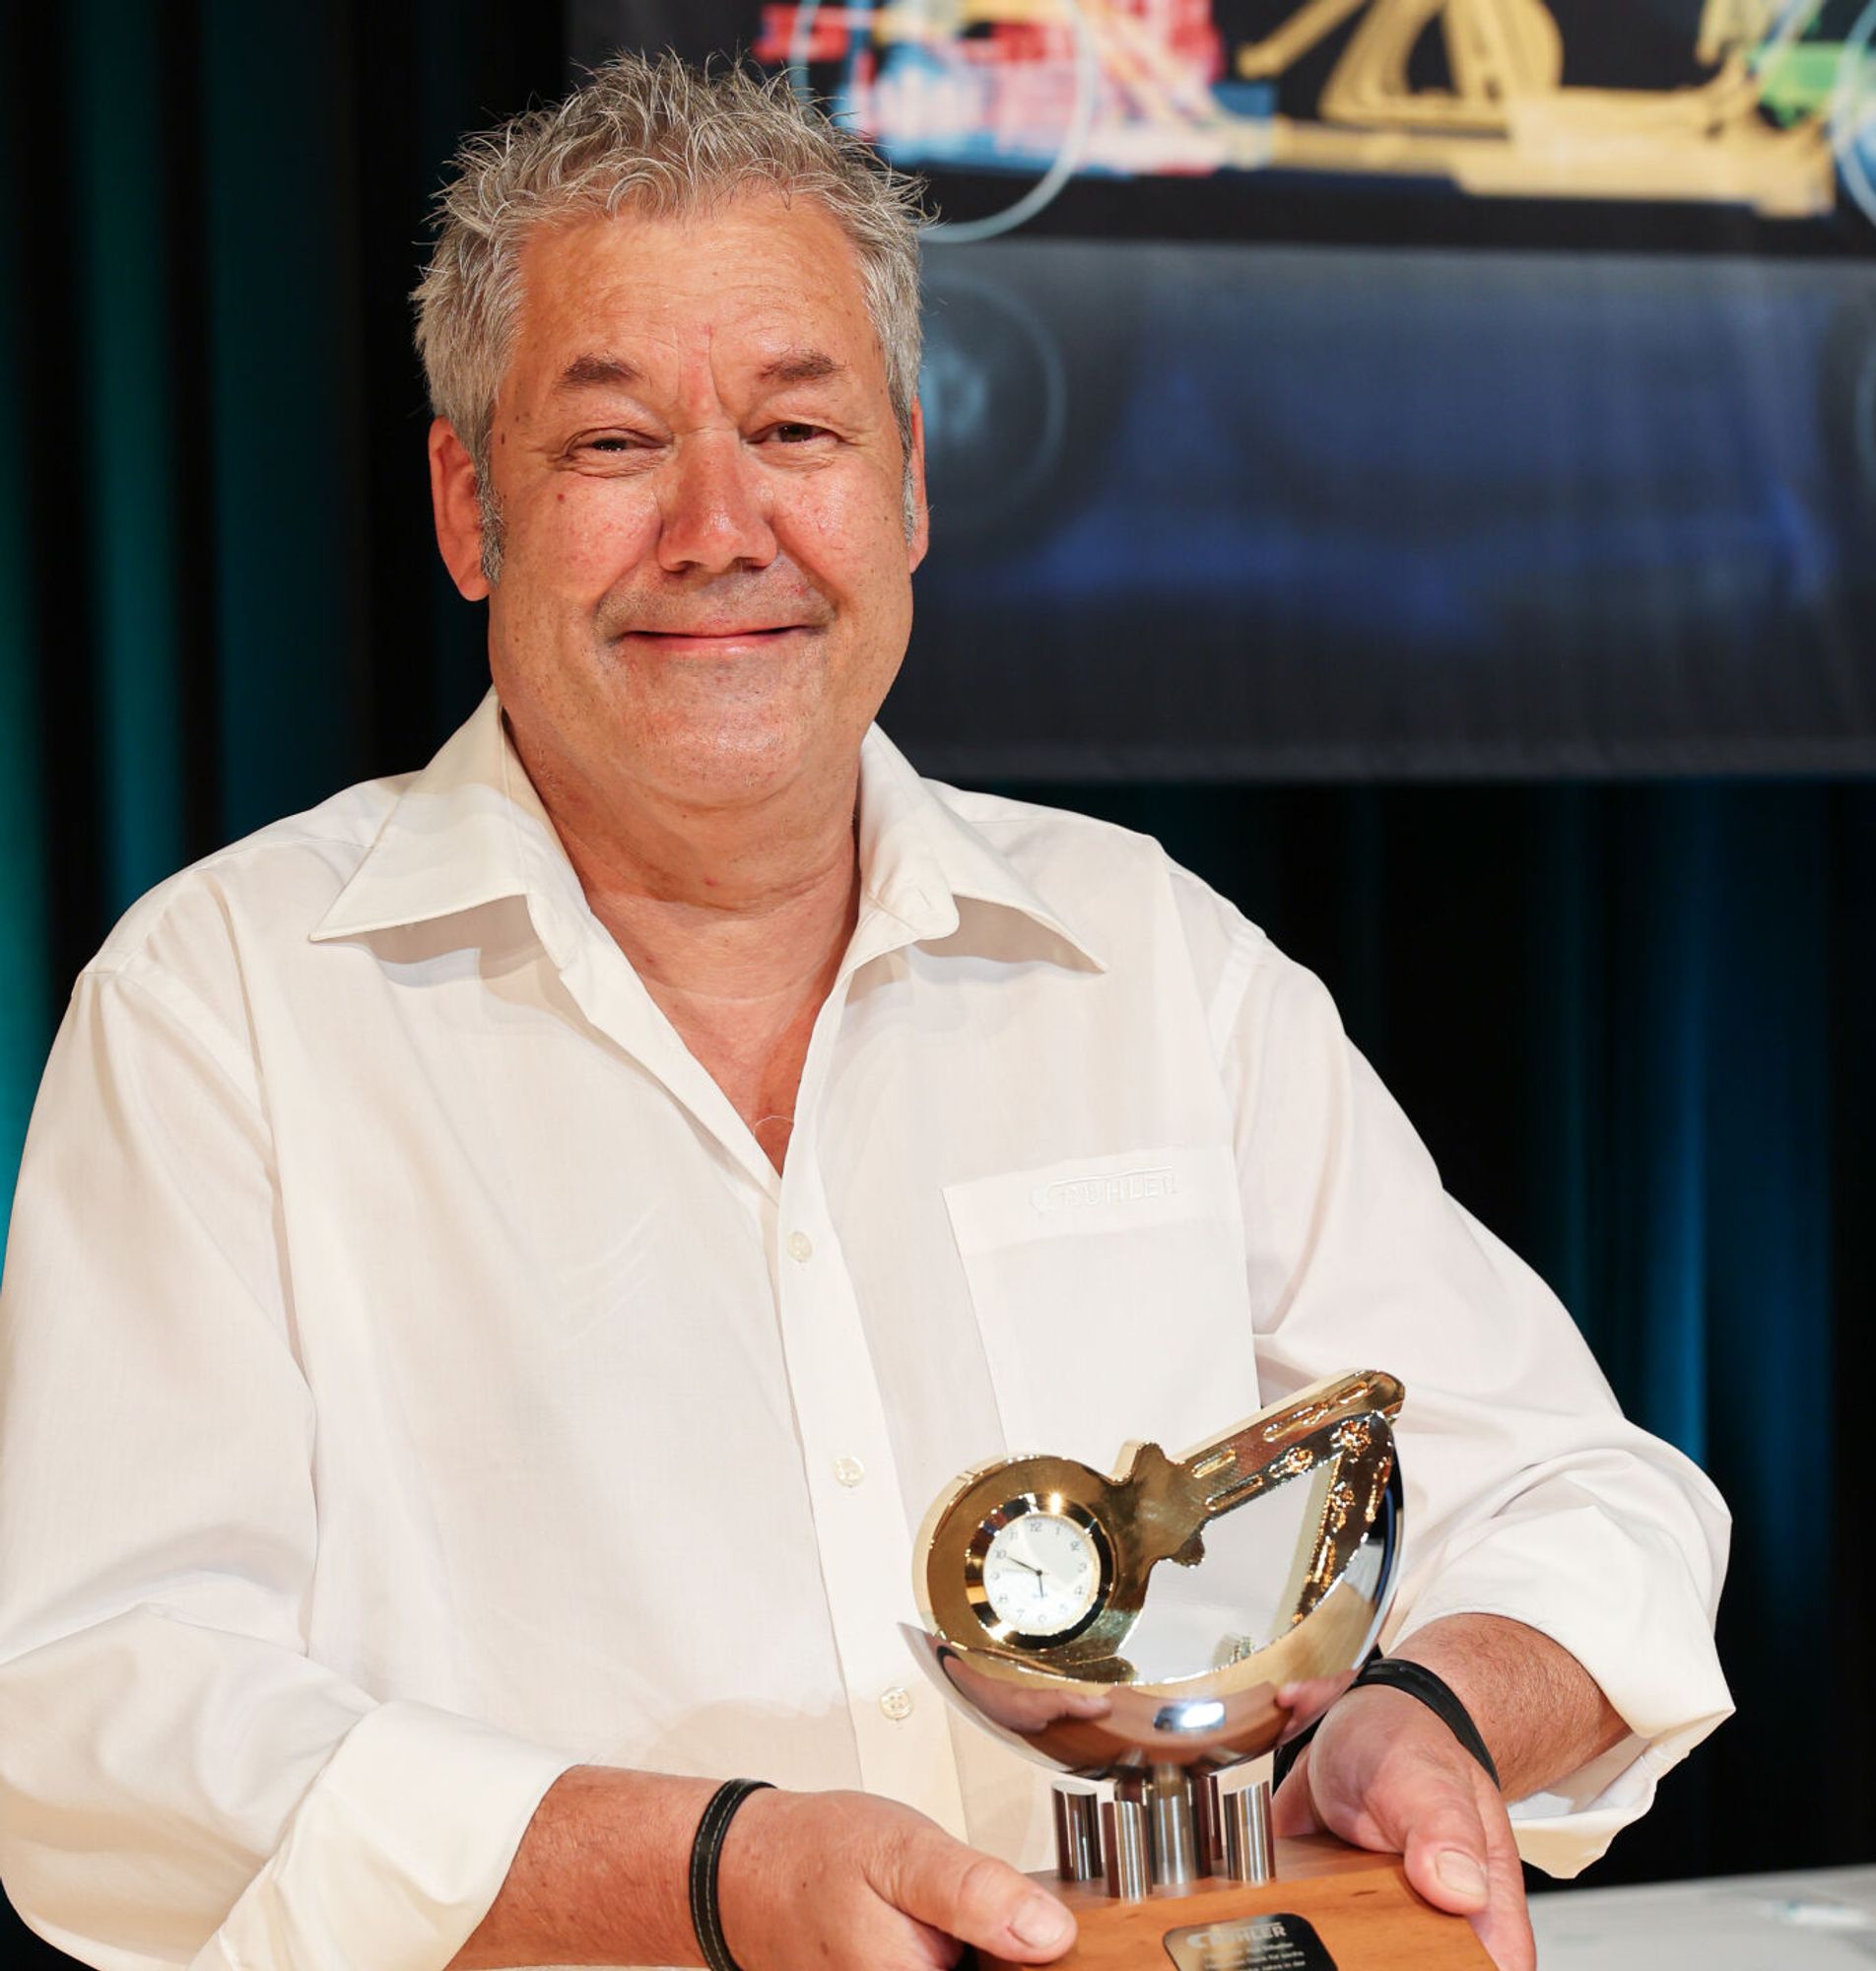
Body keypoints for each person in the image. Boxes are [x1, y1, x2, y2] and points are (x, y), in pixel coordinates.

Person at [0, 52, 1730, 1971]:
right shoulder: (221, 1010)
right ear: (469, 505)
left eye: (796, 429)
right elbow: (99, 1714)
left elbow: (1585, 1493)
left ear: (906, 483)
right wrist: (703, 1874)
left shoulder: (1149, 959)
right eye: (614, 443)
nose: (720, 526)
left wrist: (1435, 1713)